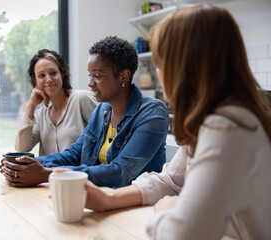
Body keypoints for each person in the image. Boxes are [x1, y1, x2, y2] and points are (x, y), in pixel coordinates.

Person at [84, 4, 271, 240]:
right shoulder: (215, 119)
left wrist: (165, 210)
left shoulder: (227, 127)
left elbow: (180, 234)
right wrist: (108, 199)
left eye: (161, 64)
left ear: (183, 67)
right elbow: (171, 181)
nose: (159, 73)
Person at [0, 36, 169, 188]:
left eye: (97, 75)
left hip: (136, 207)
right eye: (90, 75)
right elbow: (74, 154)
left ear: (123, 76)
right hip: (99, 199)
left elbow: (121, 172)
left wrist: (46, 174)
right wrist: (24, 163)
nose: (90, 83)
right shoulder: (103, 110)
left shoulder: (152, 113)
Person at [15, 49, 97, 156]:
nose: (48, 79)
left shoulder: (81, 99)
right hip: (48, 173)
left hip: (79, 172)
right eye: (41, 75)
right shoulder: (41, 114)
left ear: (62, 74)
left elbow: (108, 134)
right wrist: (31, 105)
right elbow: (22, 148)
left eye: (53, 73)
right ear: (35, 81)